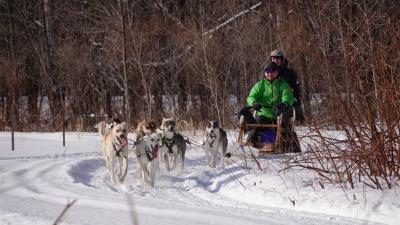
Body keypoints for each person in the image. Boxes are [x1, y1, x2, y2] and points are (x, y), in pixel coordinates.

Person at [239, 61, 300, 152]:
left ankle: (290, 151)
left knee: (286, 133)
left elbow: (287, 97)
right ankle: (259, 145)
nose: (270, 74)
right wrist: (254, 103)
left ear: (277, 72)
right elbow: (251, 96)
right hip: (264, 114)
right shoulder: (260, 85)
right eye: (267, 72)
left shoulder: (283, 85)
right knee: (254, 129)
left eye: (272, 72)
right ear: (264, 73)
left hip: (280, 114)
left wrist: (284, 104)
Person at [269, 49, 305, 124]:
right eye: (273, 59)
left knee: (285, 122)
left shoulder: (289, 73)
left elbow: (296, 88)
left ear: (282, 60)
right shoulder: (268, 72)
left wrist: (295, 99)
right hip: (270, 101)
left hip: (285, 101)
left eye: (277, 59)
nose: (275, 61)